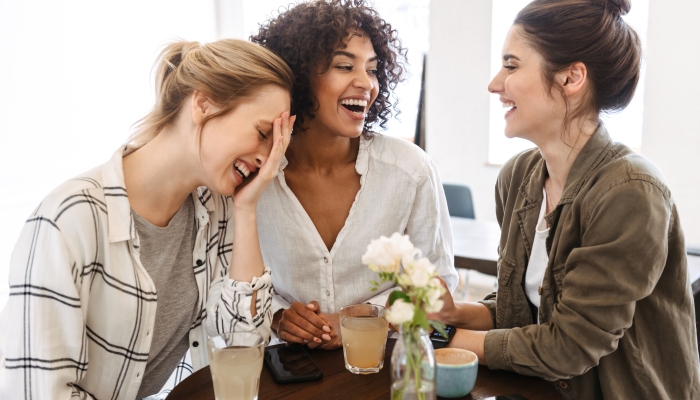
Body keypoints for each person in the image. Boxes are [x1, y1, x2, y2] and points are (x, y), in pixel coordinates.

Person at [429, 0, 700, 398]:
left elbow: (569, 347)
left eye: (511, 65)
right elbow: (521, 309)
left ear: (572, 78)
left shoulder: (631, 191)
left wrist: (440, 340)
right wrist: (456, 316)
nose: (494, 83)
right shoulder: (517, 177)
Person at [0, 39, 295, 399]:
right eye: (263, 134)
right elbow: (38, 392)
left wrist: (247, 211)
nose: (267, 159)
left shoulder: (216, 208)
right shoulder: (67, 221)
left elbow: (242, 345)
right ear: (202, 103)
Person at [250, 0, 459, 350]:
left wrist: (365, 315)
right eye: (345, 66)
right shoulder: (254, 174)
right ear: (298, 75)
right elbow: (224, 277)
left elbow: (438, 286)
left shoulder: (410, 171)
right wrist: (278, 316)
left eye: (373, 70)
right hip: (286, 369)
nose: (366, 83)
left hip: (387, 361)